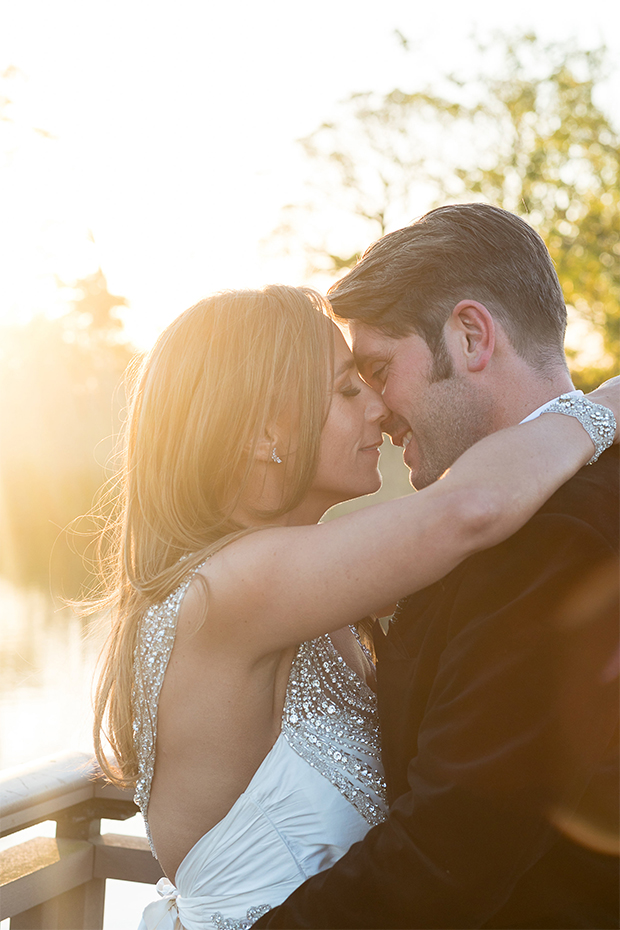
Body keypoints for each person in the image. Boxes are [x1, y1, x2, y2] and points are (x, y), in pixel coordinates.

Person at [91, 282, 617, 930]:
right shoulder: (231, 588)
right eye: (348, 390)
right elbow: (467, 509)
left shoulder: (306, 585)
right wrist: (601, 406)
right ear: (264, 433)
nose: (381, 408)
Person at [253, 204, 620, 929]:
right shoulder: (551, 499)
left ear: (472, 335)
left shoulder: (559, 534)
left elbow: (448, 855)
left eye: (381, 369)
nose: (378, 410)